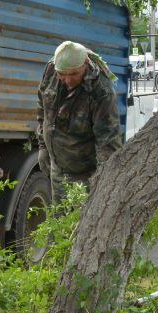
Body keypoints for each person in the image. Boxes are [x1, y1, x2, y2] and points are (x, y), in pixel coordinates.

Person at [37, 40, 123, 203]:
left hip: (86, 176)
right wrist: (42, 146)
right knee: (58, 223)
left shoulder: (101, 92)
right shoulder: (51, 69)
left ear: (85, 64)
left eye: (73, 74)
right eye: (62, 74)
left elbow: (108, 144)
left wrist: (102, 184)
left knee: (82, 225)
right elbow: (42, 107)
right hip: (57, 169)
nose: (67, 80)